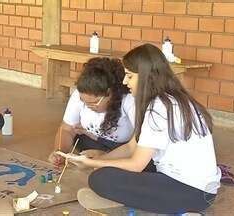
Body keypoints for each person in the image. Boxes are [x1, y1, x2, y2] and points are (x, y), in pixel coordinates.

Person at [63, 44, 221, 214]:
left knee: (99, 179)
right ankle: (130, 197)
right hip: (195, 186)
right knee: (107, 169)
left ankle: (168, 207)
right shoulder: (170, 98)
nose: (124, 82)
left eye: (129, 76)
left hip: (192, 193)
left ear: (147, 77)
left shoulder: (159, 108)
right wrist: (104, 160)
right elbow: (133, 146)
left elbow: (136, 164)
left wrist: (91, 163)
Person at [48, 57, 135, 166]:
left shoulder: (129, 99)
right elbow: (66, 129)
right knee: (78, 137)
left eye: (94, 103)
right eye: (84, 102)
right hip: (91, 142)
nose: (88, 107)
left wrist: (104, 157)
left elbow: (138, 147)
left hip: (123, 147)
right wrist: (60, 152)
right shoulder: (80, 94)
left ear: (109, 94)